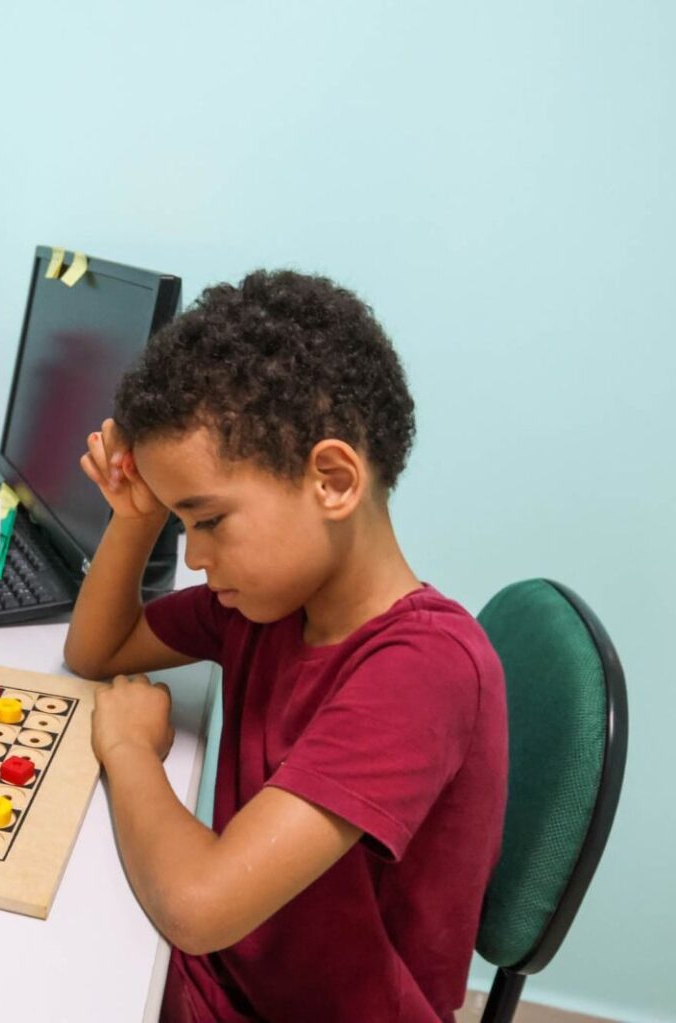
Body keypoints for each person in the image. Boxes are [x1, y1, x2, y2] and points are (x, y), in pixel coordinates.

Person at [64, 270, 507, 1021]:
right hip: (229, 976)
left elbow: (199, 906)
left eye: (208, 520)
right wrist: (138, 519)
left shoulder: (422, 670)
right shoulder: (267, 603)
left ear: (332, 480)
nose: (196, 556)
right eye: (181, 523)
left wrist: (131, 749)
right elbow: (98, 652)